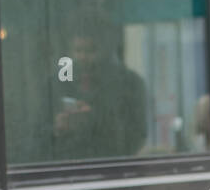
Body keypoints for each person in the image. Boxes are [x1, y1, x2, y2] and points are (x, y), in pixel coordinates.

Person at [54, 16, 148, 160]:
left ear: (107, 49)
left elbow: (136, 136)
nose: (83, 57)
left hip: (112, 167)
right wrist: (59, 128)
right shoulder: (59, 83)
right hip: (66, 168)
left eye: (91, 50)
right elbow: (38, 135)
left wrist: (94, 121)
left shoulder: (129, 84)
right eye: (78, 50)